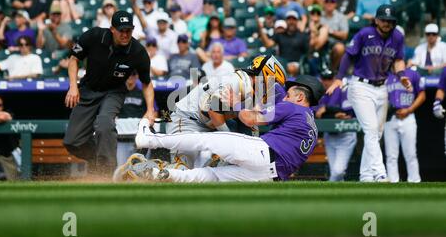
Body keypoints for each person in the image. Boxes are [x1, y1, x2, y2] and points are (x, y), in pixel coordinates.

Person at [115, 75, 324, 182]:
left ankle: (148, 140)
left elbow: (251, 119)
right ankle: (157, 173)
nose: (285, 97)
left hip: (262, 153)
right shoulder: (312, 127)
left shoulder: (294, 107)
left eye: (289, 94)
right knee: (207, 177)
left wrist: (236, 104)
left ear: (300, 97)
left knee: (207, 140)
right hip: (270, 175)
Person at [326, 4, 412, 182]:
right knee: (371, 129)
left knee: (375, 134)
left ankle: (365, 176)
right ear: (376, 20)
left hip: (382, 88)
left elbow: (398, 60)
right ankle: (380, 173)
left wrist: (402, 75)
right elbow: (348, 55)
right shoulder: (365, 34)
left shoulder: (397, 36)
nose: (387, 23)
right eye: (384, 19)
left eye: (390, 20)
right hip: (361, 86)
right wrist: (339, 78)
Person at [63, 10, 155, 176]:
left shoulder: (138, 52)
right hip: (88, 89)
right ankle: (96, 158)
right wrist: (73, 86)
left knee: (105, 124)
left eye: (129, 30)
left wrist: (150, 110)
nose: (125, 34)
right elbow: (73, 59)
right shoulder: (94, 36)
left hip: (114, 92)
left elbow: (147, 83)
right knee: (72, 141)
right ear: (112, 29)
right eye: (122, 30)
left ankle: (105, 172)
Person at [165, 54, 286, 169]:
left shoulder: (253, 91)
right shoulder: (237, 81)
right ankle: (150, 169)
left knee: (243, 138)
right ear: (264, 75)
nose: (272, 88)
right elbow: (213, 110)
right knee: (182, 169)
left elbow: (250, 123)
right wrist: (229, 140)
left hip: (208, 125)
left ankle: (218, 164)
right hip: (186, 120)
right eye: (273, 81)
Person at [384, 67, 425, 183]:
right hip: (390, 117)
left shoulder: (412, 74)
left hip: (408, 116)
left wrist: (409, 110)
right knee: (391, 155)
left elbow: (422, 95)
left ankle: (415, 181)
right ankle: (392, 182)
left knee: (411, 154)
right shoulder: (385, 75)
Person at [315, 69, 356, 181]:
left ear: (334, 79)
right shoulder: (321, 94)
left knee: (338, 171)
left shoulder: (342, 90)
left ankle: (325, 194)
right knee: (335, 172)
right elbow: (316, 114)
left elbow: (348, 112)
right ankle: (340, 196)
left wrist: (327, 109)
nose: (326, 81)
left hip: (345, 135)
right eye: (324, 79)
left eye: (329, 78)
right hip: (330, 136)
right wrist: (333, 113)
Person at [258, 10, 309, 76]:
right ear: (286, 21)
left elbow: (307, 53)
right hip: (282, 63)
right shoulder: (280, 35)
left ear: (297, 21)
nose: (291, 22)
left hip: (298, 64)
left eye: (293, 19)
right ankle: (269, 85)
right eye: (289, 19)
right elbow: (268, 44)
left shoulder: (302, 35)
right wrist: (260, 29)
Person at [116, 71, 147, 167]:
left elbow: (153, 112)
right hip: (121, 137)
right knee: (122, 167)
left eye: (133, 74)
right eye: (128, 74)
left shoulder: (144, 92)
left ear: (137, 76)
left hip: (139, 136)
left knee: (142, 168)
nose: (130, 76)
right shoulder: (117, 93)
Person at [320, 0, 348, 71]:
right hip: (321, 42)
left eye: (332, 1)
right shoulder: (319, 15)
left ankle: (332, 70)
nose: (329, 4)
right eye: (327, 1)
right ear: (324, 3)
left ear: (335, 4)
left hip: (334, 42)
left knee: (340, 48)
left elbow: (344, 35)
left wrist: (330, 31)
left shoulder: (341, 17)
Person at [0, 96, 19, 180]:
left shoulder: (8, 112)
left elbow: (3, 117)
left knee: (14, 181)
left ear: (3, 106)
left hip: (6, 154)